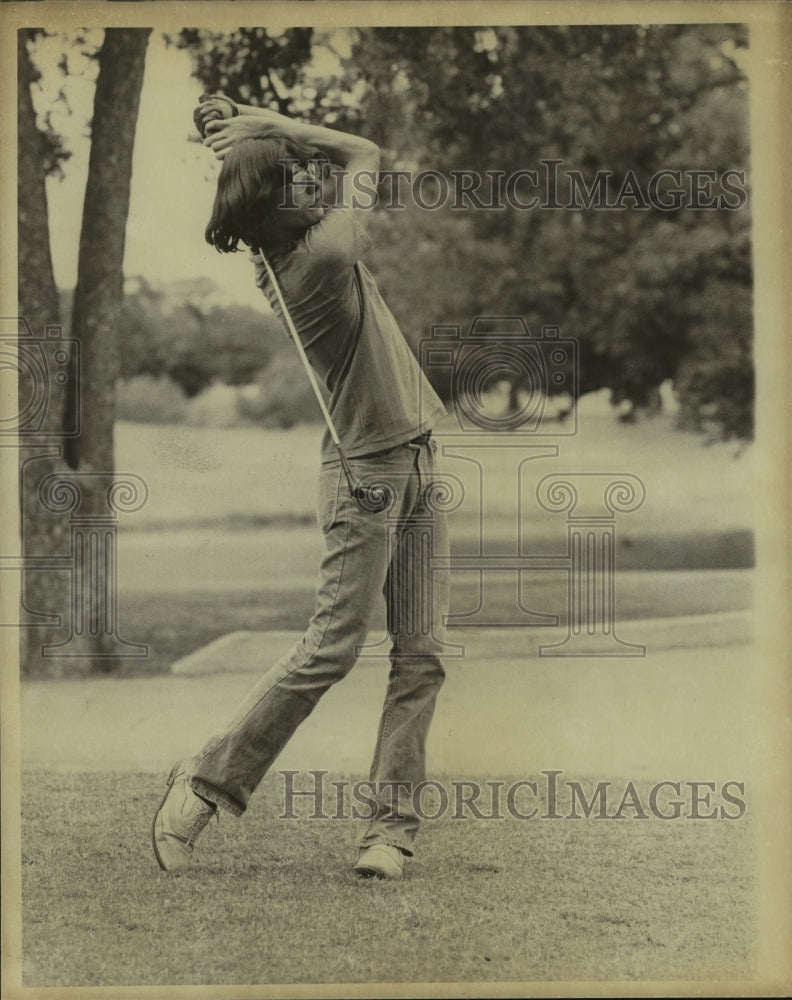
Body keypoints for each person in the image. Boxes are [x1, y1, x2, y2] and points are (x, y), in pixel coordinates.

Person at [152, 97, 450, 881]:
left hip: (414, 457)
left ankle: (389, 833)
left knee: (421, 656)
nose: (313, 186)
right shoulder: (318, 261)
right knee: (331, 648)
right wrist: (258, 119)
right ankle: (207, 781)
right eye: (294, 183)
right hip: (369, 478)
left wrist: (243, 132)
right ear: (274, 213)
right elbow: (363, 150)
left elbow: (301, 173)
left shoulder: (279, 248)